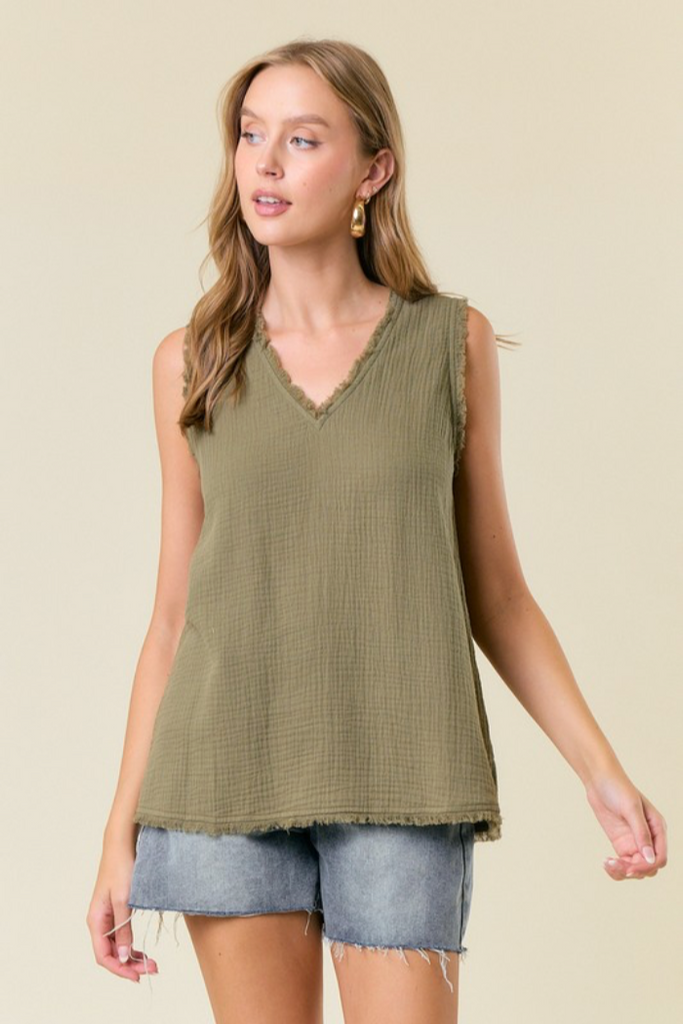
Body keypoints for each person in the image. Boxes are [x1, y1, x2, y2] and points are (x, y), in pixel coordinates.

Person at [86, 38, 668, 1024]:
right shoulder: (192, 361)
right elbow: (173, 619)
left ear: (372, 170)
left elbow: (496, 593)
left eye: (302, 139)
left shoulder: (448, 344)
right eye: (251, 135)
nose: (266, 164)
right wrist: (117, 836)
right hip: (221, 780)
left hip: (406, 776)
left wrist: (599, 772)